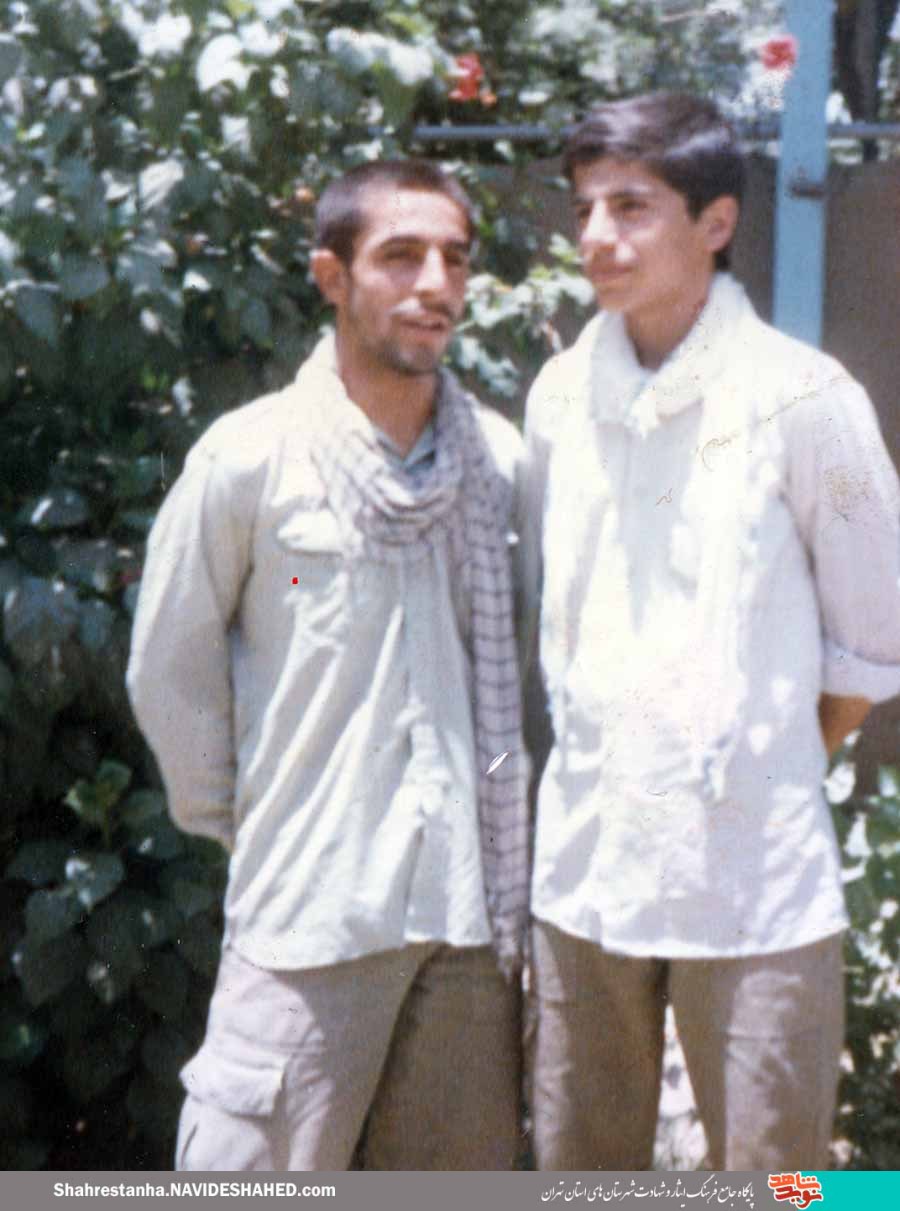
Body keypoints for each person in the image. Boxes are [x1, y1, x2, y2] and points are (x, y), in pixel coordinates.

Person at [126, 159, 531, 1171]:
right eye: (401, 256)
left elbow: (524, 672)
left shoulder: (500, 463)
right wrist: (261, 819)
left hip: (467, 920)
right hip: (306, 919)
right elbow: (169, 671)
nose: (436, 284)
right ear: (331, 276)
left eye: (455, 259)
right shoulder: (251, 459)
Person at [523, 92, 900, 1171]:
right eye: (585, 208)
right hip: (586, 875)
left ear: (717, 222)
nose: (598, 236)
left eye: (632, 206)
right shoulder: (559, 398)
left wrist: (753, 766)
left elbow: (874, 637)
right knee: (579, 1173)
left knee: (776, 1181)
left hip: (755, 886)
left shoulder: (807, 398)